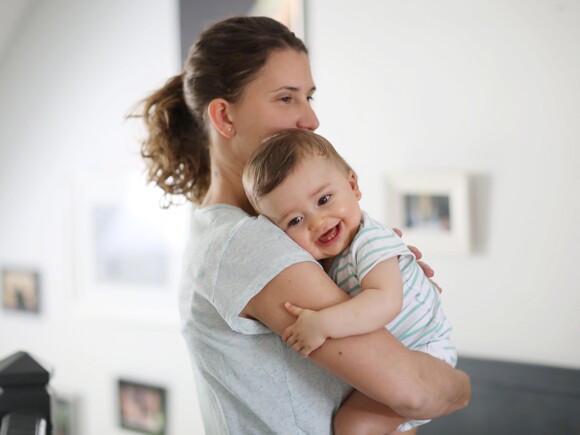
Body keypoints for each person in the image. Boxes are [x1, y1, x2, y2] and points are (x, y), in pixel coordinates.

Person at [133, 15, 470, 435]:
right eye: (286, 98)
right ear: (223, 117)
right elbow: (414, 393)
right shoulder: (247, 243)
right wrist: (460, 386)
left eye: (309, 97)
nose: (310, 119)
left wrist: (381, 273)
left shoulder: (243, 233)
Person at [243, 128, 457, 433]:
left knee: (352, 425)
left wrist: (322, 324)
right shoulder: (320, 262)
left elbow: (385, 302)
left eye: (324, 199)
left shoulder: (370, 241)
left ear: (353, 185)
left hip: (425, 353)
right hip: (394, 361)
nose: (318, 222)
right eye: (295, 221)